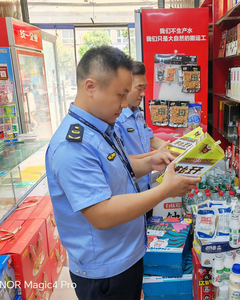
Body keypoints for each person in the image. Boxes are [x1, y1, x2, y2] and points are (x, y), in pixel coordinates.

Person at [45, 46, 200, 300]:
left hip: (126, 255)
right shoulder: (72, 146)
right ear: (90, 86)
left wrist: (152, 162)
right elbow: (101, 214)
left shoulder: (101, 127)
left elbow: (118, 169)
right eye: (120, 95)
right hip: (105, 272)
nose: (123, 104)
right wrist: (165, 190)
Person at [115, 61, 169, 219]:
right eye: (139, 88)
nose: (143, 93)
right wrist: (155, 157)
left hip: (146, 187)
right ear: (125, 86)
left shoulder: (138, 113)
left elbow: (151, 140)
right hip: (130, 192)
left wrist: (177, 147)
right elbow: (120, 161)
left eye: (144, 88)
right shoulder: (117, 119)